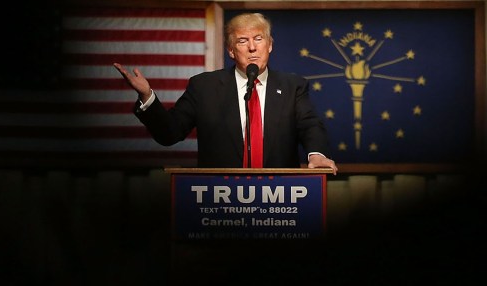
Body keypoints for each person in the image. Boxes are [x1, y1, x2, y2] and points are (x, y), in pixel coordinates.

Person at [112, 12, 337, 171]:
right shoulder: (204, 87)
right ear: (230, 50)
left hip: (279, 200)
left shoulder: (292, 86)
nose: (252, 47)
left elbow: (310, 125)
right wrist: (147, 96)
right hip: (221, 202)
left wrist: (316, 154)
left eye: (258, 39)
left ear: (270, 45)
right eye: (242, 41)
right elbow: (170, 133)